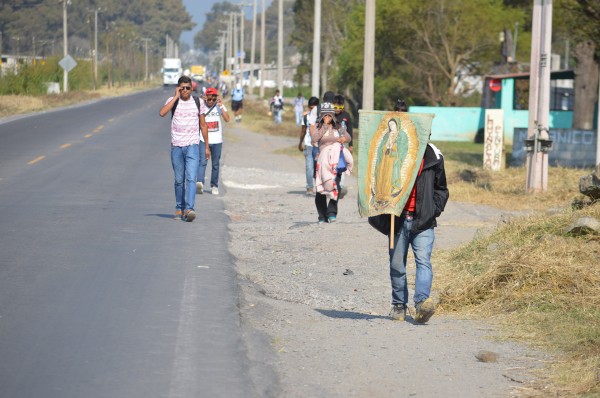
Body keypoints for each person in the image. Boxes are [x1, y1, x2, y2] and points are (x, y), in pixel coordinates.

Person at [369, 100, 449, 323]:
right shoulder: (395, 153)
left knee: (423, 261)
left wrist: (433, 210)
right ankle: (398, 305)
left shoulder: (434, 157)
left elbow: (441, 189)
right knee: (397, 264)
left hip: (423, 221)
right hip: (397, 218)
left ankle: (422, 304)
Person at [159, 76, 210, 222]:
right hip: (176, 146)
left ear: (192, 89)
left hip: (193, 145)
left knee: (191, 178)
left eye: (188, 88)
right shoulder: (172, 101)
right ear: (178, 88)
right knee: (179, 180)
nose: (185, 91)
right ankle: (179, 207)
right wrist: (175, 97)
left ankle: (189, 209)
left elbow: (203, 125)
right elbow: (162, 113)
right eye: (182, 88)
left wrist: (206, 146)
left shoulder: (198, 102)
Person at [310, 102, 353, 223]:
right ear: (322, 115)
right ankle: (322, 215)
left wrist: (344, 138)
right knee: (321, 188)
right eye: (325, 115)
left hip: (336, 161)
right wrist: (324, 125)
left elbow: (348, 137)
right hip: (322, 162)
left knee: (336, 186)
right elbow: (314, 138)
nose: (328, 118)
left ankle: (332, 213)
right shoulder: (318, 126)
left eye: (330, 115)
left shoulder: (338, 126)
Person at [197, 87, 230, 196]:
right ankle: (200, 183)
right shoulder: (201, 107)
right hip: (203, 139)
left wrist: (221, 107)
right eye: (209, 99)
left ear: (216, 98)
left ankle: (214, 185)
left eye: (213, 99)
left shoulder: (219, 106)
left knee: (215, 164)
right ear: (205, 97)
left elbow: (227, 119)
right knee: (202, 162)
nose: (210, 101)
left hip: (217, 141)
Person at [333, 94, 354, 198]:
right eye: (335, 107)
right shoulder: (330, 116)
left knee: (343, 163)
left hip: (343, 144)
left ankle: (341, 185)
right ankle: (332, 184)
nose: (337, 110)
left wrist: (351, 145)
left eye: (340, 107)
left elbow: (350, 131)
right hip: (332, 144)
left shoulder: (346, 115)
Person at [298, 96, 319, 195]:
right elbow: (303, 131)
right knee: (309, 167)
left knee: (317, 167)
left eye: (314, 108)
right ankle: (310, 187)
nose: (312, 110)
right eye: (310, 108)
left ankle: (319, 186)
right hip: (308, 144)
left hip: (318, 145)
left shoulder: (322, 118)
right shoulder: (306, 117)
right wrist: (300, 142)